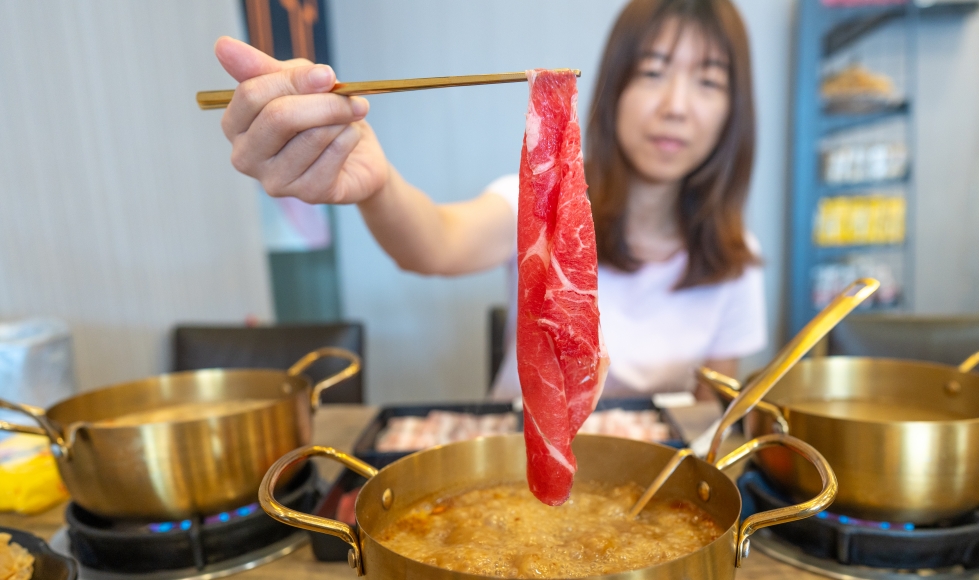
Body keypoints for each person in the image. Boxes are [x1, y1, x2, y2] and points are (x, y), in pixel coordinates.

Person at [214, 0, 766, 399]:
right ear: (615, 87)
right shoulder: (538, 207)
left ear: (732, 110)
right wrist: (377, 181)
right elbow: (432, 244)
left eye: (708, 81)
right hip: (520, 468)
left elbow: (713, 408)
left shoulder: (737, 256)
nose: (675, 105)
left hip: (648, 483)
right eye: (652, 71)